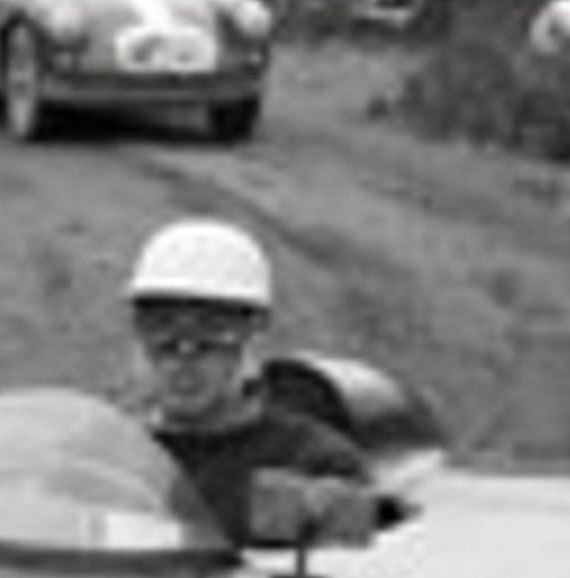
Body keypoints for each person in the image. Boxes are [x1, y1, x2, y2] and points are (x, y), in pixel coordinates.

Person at [124, 217, 381, 549]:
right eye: (161, 329)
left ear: (254, 339)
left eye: (212, 331)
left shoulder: (314, 463)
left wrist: (326, 510)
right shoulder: (106, 456)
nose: (184, 357)